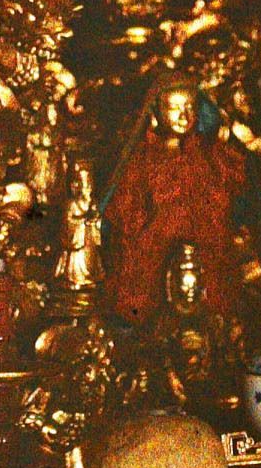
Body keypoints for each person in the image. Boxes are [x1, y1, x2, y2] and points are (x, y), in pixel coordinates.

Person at [102, 76, 249, 324]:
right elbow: (127, 214)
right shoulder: (143, 160)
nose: (185, 116)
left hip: (206, 263)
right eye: (175, 108)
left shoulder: (210, 154)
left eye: (190, 107)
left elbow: (236, 195)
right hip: (155, 266)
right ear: (156, 114)